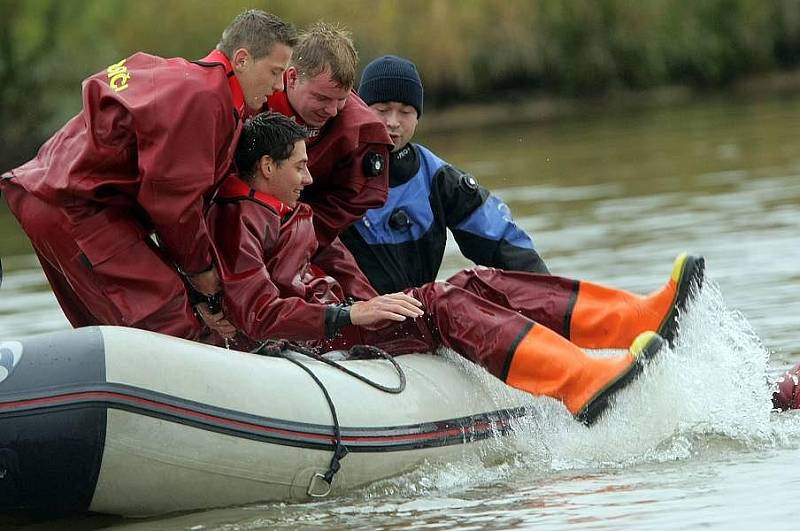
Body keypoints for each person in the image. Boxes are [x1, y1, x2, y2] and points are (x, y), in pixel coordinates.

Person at [207, 112, 706, 426]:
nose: (309, 176)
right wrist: (351, 318)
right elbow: (257, 313)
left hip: (354, 322)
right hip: (323, 340)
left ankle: (632, 320)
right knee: (446, 297)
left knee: (471, 281)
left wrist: (377, 308)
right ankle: (579, 383)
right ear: (268, 168)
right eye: (299, 166)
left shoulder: (296, 213)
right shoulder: (239, 224)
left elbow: (345, 276)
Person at [0, 10, 296, 341]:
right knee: (175, 326)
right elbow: (174, 203)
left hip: (45, 194)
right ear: (241, 59)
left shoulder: (175, 75)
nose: (278, 85)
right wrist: (202, 273)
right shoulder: (204, 98)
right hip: (74, 207)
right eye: (275, 71)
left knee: (112, 335)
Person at [341, 55, 549, 294]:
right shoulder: (330, 172)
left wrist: (547, 295)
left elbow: (500, 238)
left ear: (417, 117)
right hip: (350, 316)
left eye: (405, 111)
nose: (393, 122)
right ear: (360, 111)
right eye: (382, 109)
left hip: (416, 315)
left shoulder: (437, 177)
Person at [267, 22, 393, 250]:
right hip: (250, 216)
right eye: (322, 99)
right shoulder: (255, 100)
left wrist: (294, 241)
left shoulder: (362, 131)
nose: (333, 110)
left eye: (341, 99)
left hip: (314, 232)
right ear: (292, 77)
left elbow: (352, 200)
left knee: (353, 284)